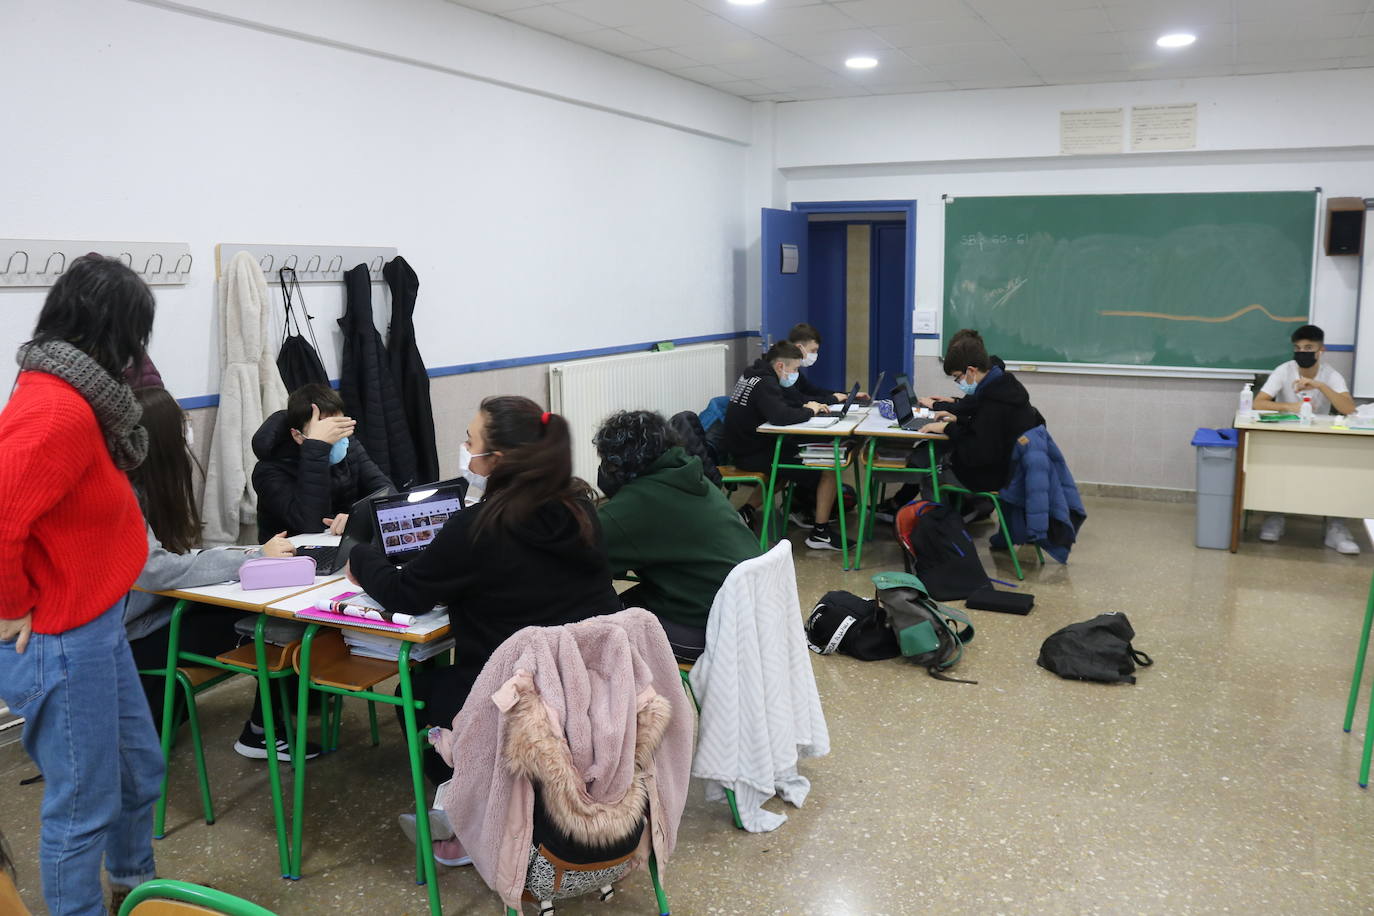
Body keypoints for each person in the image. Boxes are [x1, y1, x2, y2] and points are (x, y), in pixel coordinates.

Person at [345, 396, 619, 866]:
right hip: (590, 689)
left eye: (470, 442)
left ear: (499, 459)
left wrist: (358, 554)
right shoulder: (579, 507)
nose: (464, 449)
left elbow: (405, 593)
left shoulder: (477, 528)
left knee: (416, 690)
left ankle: (477, 815)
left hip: (513, 698)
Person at [0, 255, 164, 916]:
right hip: (65, 639)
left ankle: (135, 892)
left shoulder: (78, 393)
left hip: (97, 623)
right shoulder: (56, 408)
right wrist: (10, 607)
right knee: (82, 807)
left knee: (137, 772)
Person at [123, 386, 314, 760]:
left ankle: (267, 725)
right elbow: (156, 570)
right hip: (136, 636)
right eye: (182, 423)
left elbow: (171, 556)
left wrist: (242, 554)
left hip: (157, 617)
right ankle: (262, 732)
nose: (188, 429)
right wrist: (252, 557)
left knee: (264, 613)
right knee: (268, 627)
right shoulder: (125, 494)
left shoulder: (151, 486)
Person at [594, 410, 760, 661]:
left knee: (595, 630)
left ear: (620, 465)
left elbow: (583, 557)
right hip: (750, 619)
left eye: (608, 462)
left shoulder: (637, 504)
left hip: (712, 634)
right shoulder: (689, 473)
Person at [723, 341, 853, 551]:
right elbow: (780, 416)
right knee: (827, 468)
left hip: (743, 447)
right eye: (795, 369)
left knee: (785, 469)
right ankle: (820, 534)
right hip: (752, 452)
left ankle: (746, 511)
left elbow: (781, 406)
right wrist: (810, 411)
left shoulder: (752, 375)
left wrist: (807, 406)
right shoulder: (765, 382)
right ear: (781, 366)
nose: (795, 374)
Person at [1252, 324, 1360, 554]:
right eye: (1298, 348)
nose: (1302, 352)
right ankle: (1275, 516)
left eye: (1309, 347)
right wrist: (1290, 406)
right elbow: (1258, 403)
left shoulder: (1331, 374)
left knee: (1342, 470)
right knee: (1274, 466)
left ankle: (1336, 527)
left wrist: (1320, 385)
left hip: (1322, 439)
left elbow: (1349, 408)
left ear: (1321, 350)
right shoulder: (1284, 370)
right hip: (1287, 435)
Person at [251, 383, 393, 541]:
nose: (334, 437)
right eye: (324, 431)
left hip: (342, 542)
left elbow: (388, 493)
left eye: (336, 427)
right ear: (297, 436)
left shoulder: (348, 444)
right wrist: (317, 448)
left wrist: (357, 519)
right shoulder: (268, 470)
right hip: (292, 554)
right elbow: (310, 524)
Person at [920, 331, 1044, 494]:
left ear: (971, 371)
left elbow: (976, 453)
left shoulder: (993, 401)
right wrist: (959, 421)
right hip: (1007, 469)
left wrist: (947, 428)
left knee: (930, 477)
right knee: (944, 460)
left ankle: (953, 517)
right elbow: (984, 430)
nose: (959, 383)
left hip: (993, 477)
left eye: (958, 377)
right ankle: (968, 512)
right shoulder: (1002, 387)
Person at [783, 323, 866, 407]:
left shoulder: (795, 370)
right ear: (799, 348)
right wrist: (833, 399)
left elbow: (813, 391)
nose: (815, 354)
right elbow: (799, 399)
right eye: (813, 350)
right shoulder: (783, 370)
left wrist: (847, 395)